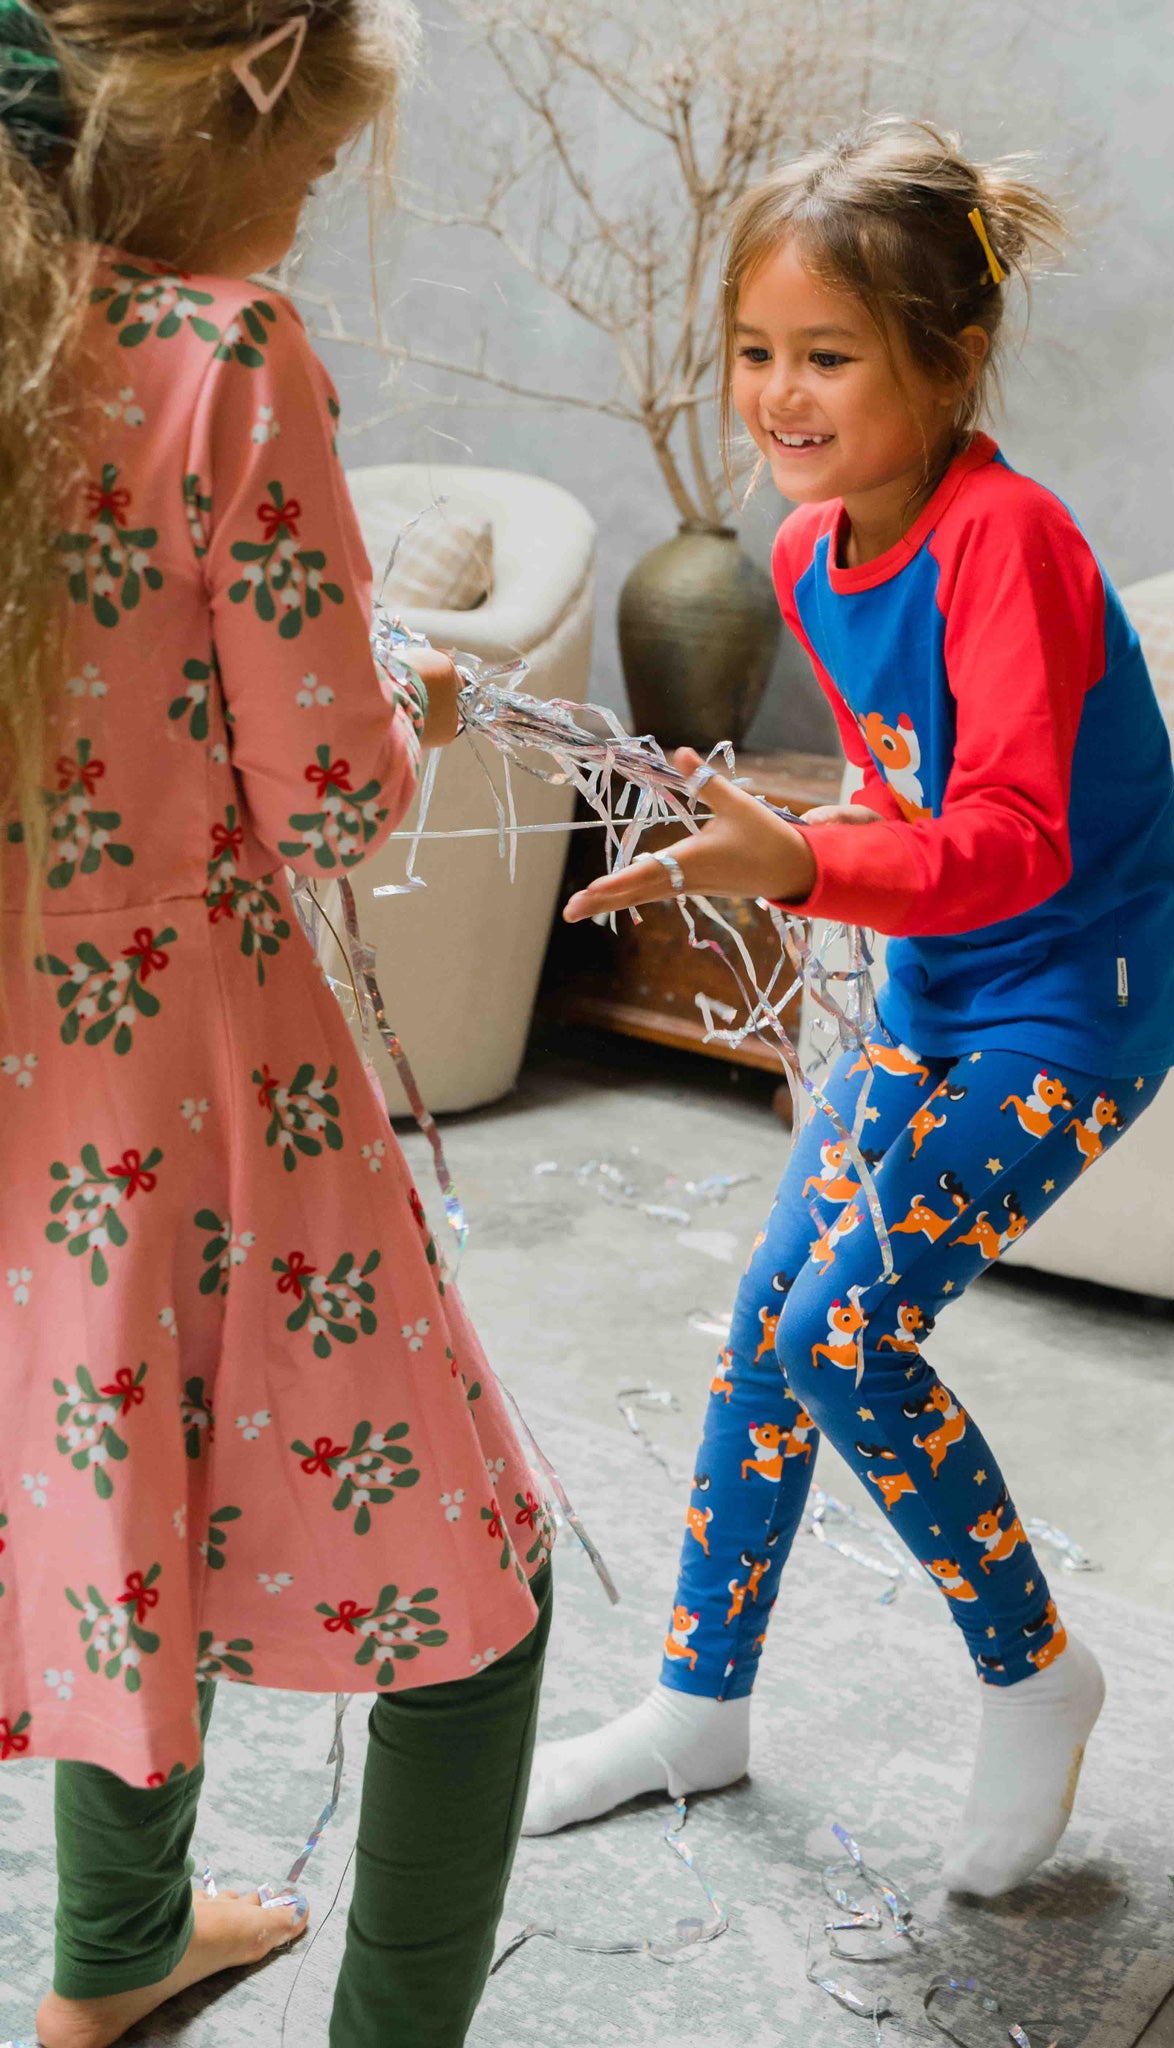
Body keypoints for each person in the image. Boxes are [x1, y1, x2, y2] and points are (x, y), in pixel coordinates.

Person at [525, 118, 1174, 1899]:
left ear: (951, 361)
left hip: (1073, 1003)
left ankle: (1038, 1674)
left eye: (827, 356)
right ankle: (697, 1706)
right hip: (935, 980)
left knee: (844, 1334)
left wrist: (802, 867)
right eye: (757, 352)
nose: (779, 394)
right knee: (767, 1329)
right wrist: (754, 845)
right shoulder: (817, 558)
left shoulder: (1010, 543)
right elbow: (908, 806)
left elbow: (1018, 840)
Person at [0, 6, 556, 2044]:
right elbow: (322, 799)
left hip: (17, 1089)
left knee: (106, 1500)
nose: (308, 208)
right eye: (317, 168)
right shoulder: (220, 359)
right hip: (196, 1076)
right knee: (478, 1590)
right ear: (232, 103)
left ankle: (119, 1958)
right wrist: (393, 691)